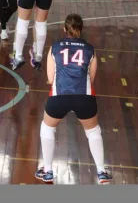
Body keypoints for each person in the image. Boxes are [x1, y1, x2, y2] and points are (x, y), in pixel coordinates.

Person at [35, 14, 113, 185]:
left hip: (59, 96)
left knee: (47, 128)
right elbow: (91, 79)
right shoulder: (90, 49)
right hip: (84, 97)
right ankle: (101, 172)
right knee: (93, 132)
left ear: (64, 29)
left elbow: (50, 78)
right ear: (81, 29)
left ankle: (47, 170)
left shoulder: (55, 47)